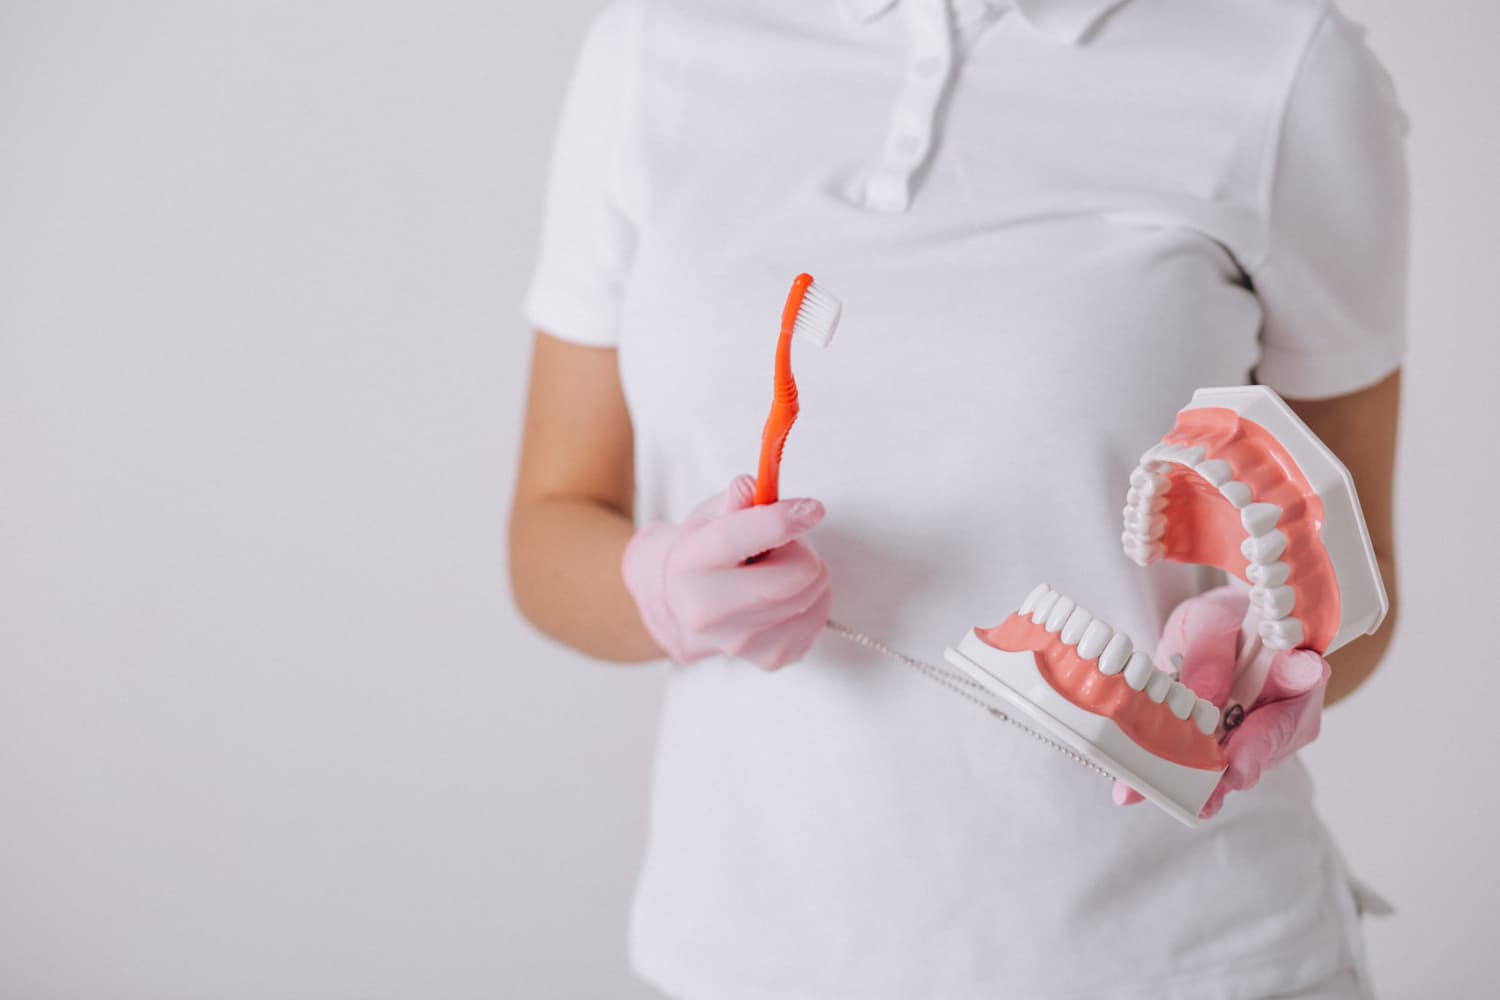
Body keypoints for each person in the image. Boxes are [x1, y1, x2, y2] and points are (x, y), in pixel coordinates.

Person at [507, 0, 1408, 996]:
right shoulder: (657, 49)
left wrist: (1266, 649)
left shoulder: (1286, 65)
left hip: (1188, 961)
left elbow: (1352, 574)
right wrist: (659, 586)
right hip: (747, 957)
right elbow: (551, 527)